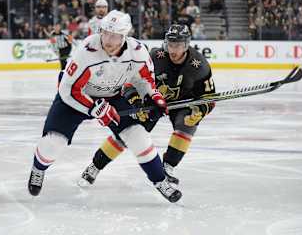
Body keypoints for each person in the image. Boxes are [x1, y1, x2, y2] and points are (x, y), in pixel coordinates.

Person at [27, 10, 182, 203]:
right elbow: (68, 90)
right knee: (53, 143)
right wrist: (95, 109)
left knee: (138, 135)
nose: (108, 40)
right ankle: (38, 169)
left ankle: (160, 181)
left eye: (115, 36)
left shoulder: (138, 52)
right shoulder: (86, 51)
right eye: (106, 33)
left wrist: (153, 96)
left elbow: (144, 80)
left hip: (112, 96)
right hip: (75, 99)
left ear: (125, 36)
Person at [79, 24, 216, 186]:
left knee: (187, 124)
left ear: (186, 45)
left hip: (182, 102)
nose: (173, 50)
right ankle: (95, 166)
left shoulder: (198, 64)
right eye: (171, 44)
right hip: (152, 101)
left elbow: (209, 97)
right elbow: (129, 81)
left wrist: (199, 111)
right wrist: (136, 103)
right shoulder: (154, 57)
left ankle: (168, 167)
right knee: (128, 132)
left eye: (178, 45)